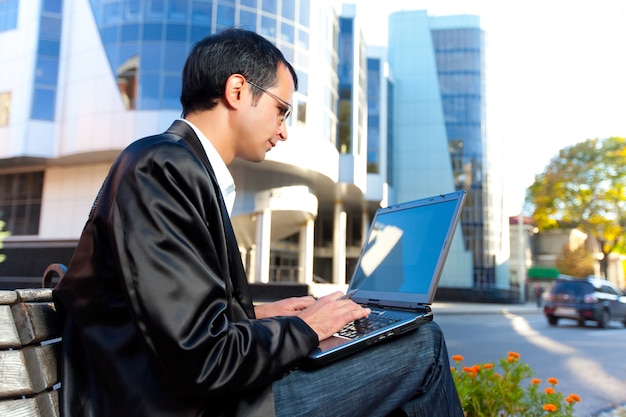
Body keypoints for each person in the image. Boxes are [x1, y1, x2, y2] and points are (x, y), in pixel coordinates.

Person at [52, 28, 464, 417]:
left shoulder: (172, 164)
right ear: (237, 91)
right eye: (280, 111)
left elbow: (169, 322)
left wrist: (261, 315)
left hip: (183, 397)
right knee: (422, 346)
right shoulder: (162, 168)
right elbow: (202, 359)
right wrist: (305, 326)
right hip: (191, 407)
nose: (283, 132)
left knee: (385, 346)